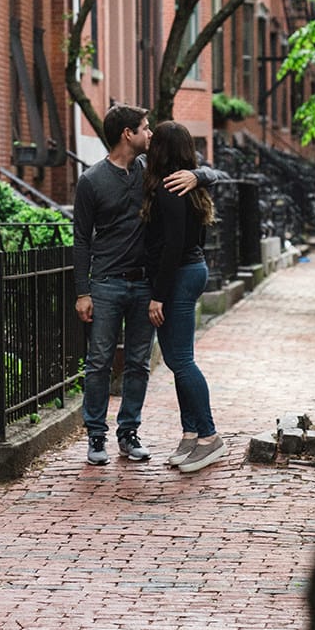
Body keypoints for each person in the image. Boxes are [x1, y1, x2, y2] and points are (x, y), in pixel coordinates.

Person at [72, 104, 226, 466]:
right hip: (107, 283)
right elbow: (81, 239)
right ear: (128, 134)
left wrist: (199, 174)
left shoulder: (150, 174)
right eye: (144, 127)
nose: (150, 133)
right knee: (98, 363)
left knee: (140, 363)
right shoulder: (91, 180)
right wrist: (83, 290)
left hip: (146, 284)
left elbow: (213, 175)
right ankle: (97, 435)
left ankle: (129, 433)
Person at [143, 120, 225, 474]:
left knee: (182, 359)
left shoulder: (170, 187)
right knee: (178, 361)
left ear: (161, 149)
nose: (148, 146)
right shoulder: (187, 183)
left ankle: (209, 436)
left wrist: (157, 296)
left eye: (153, 141)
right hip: (189, 271)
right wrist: (201, 175)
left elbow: (173, 245)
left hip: (180, 275)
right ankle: (191, 433)